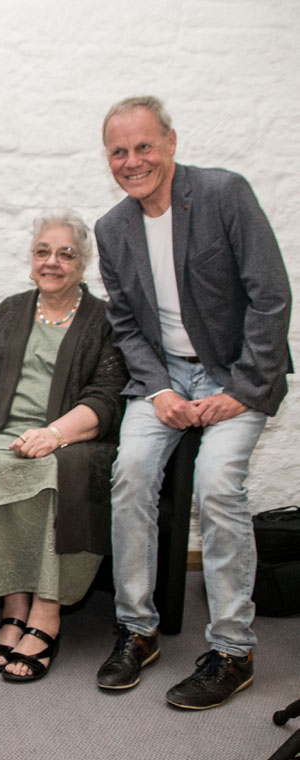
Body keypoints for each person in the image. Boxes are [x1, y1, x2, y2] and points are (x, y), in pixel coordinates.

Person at [94, 96, 292, 709]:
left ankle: (233, 649)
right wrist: (158, 389)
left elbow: (271, 297)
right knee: (129, 475)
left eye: (144, 146)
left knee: (217, 484)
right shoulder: (110, 229)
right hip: (164, 376)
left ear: (171, 143)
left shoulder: (225, 194)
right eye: (119, 152)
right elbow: (126, 324)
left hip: (236, 371)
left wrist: (240, 389)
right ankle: (137, 629)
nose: (133, 161)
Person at [0, 210, 127, 682]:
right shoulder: (10, 310)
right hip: (4, 430)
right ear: (31, 260)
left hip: (74, 437)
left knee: (53, 474)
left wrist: (54, 434)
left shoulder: (104, 320)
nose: (52, 262)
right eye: (43, 252)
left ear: (82, 263)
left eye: (65, 254)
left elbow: (108, 397)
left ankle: (46, 616)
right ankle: (14, 608)